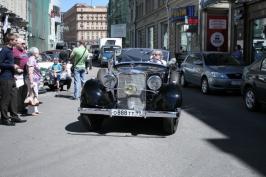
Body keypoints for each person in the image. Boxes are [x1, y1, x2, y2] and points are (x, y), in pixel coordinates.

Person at [0, 33, 27, 126]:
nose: (16, 41)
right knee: (5, 99)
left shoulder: (11, 50)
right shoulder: (4, 50)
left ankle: (14, 116)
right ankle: (4, 118)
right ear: (10, 41)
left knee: (13, 97)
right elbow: (1, 63)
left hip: (12, 77)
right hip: (5, 78)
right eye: (15, 40)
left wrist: (16, 70)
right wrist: (12, 66)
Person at [13, 38, 29, 114]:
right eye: (22, 43)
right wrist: (16, 69)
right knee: (18, 92)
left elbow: (26, 60)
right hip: (17, 74)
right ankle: (18, 108)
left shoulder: (24, 51)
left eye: (24, 43)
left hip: (25, 74)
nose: (24, 45)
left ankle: (22, 106)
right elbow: (10, 62)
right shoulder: (13, 51)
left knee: (24, 90)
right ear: (17, 44)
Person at [26, 47, 41, 116]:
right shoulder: (31, 59)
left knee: (35, 95)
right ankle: (31, 111)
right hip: (32, 80)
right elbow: (30, 71)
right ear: (34, 53)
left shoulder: (33, 59)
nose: (39, 53)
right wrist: (31, 82)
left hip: (35, 80)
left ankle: (35, 110)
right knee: (32, 95)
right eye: (38, 52)